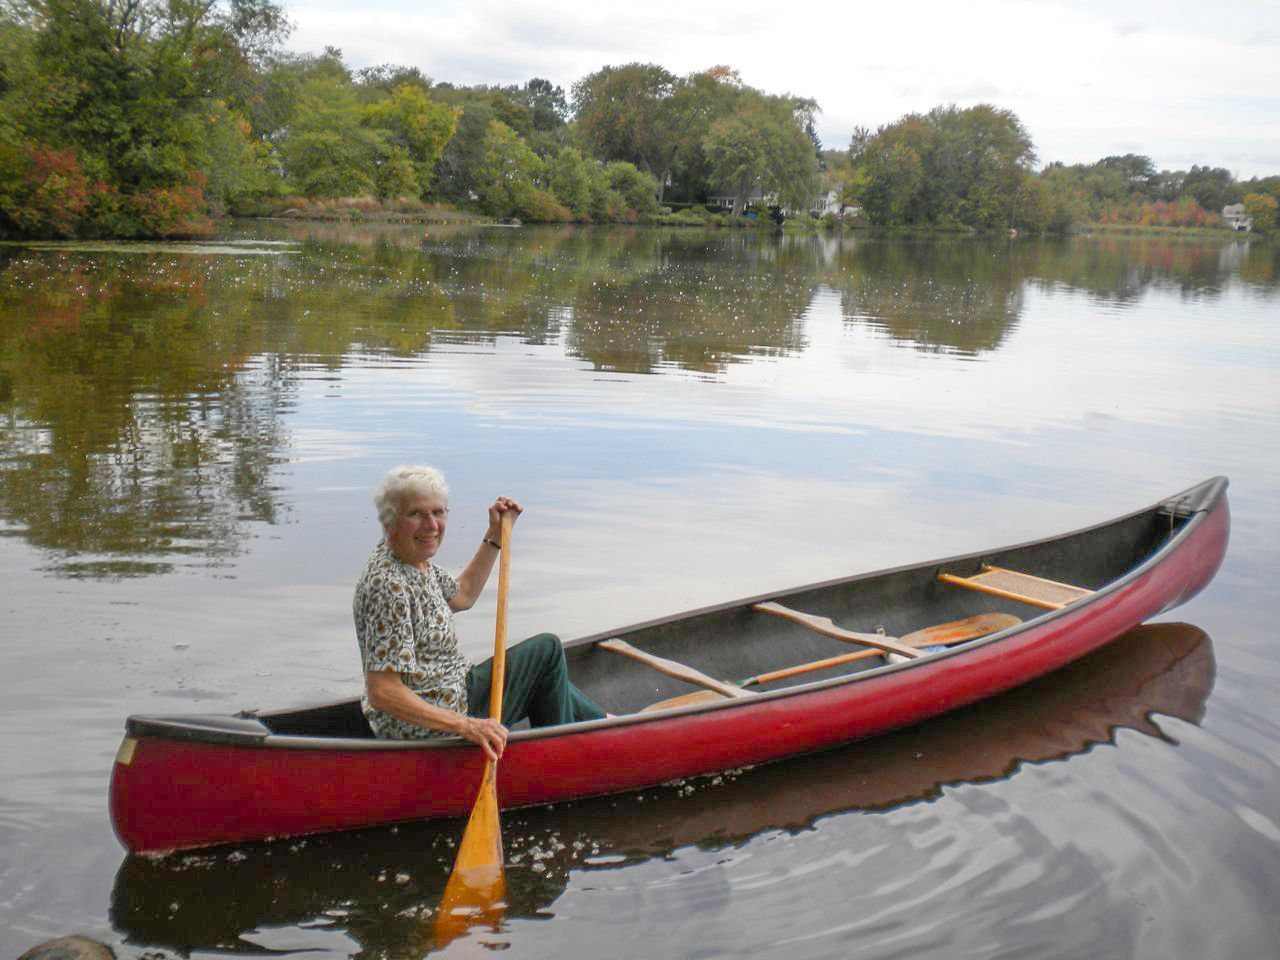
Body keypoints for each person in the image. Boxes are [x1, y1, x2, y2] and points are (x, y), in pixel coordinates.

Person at [354, 464, 607, 760]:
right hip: (430, 723)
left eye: (438, 512)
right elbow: (382, 692)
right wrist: (468, 725)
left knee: (547, 674)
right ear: (390, 521)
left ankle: (605, 723)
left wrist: (495, 534)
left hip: (451, 691)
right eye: (416, 514)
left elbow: (463, 595)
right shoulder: (389, 585)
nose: (432, 525)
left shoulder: (413, 562)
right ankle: (563, 759)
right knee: (546, 652)